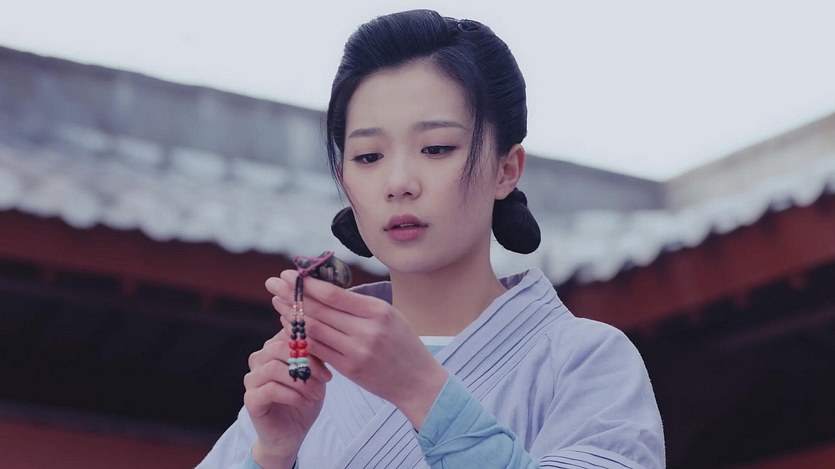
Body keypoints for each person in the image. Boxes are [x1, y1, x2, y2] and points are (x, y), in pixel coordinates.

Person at [199, 9, 665, 469]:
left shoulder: (585, 360)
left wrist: (421, 391)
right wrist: (272, 454)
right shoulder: (306, 375)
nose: (399, 182)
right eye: (368, 156)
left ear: (506, 170)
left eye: (436, 148)